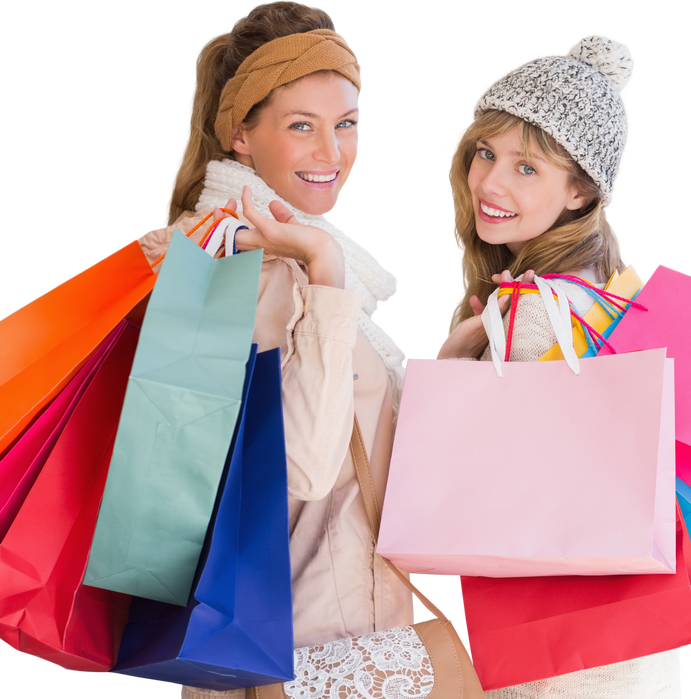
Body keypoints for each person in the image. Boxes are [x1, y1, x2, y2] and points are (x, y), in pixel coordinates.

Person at [135, 2, 416, 697]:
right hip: (307, 657)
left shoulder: (263, 257)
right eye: (301, 127)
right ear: (239, 134)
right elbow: (300, 469)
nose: (332, 152)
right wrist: (323, 273)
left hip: (323, 645)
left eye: (346, 124)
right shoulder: (247, 269)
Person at [435, 32, 684, 698]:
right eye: (485, 153)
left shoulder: (535, 311)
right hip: (631, 646)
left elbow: (474, 485)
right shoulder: (612, 294)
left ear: (579, 192)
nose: (488, 181)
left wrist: (451, 364)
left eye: (527, 168)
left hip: (553, 658)